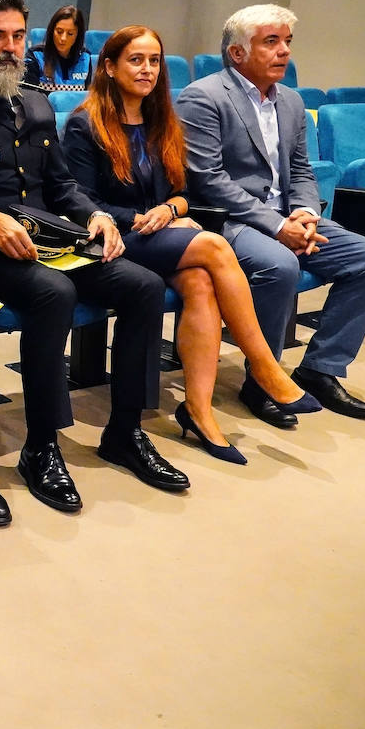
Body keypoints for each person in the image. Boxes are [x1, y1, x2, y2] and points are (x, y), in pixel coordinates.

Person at [0, 0, 189, 512]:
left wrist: (96, 216)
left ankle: (125, 430)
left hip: (46, 237)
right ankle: (41, 445)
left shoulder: (36, 101)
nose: (9, 47)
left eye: (18, 36)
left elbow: (61, 186)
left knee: (144, 287)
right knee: (53, 293)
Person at [64, 25, 320, 464]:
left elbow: (184, 192)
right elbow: (82, 202)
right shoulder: (84, 124)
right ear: (109, 67)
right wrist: (150, 217)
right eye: (135, 60)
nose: (147, 69)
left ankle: (199, 412)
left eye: (154, 60)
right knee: (216, 249)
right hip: (112, 238)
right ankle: (263, 365)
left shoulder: (161, 120)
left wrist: (172, 209)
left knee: (201, 282)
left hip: (161, 232)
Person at [178, 4, 365, 422]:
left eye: (287, 42)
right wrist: (277, 226)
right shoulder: (203, 97)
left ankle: (320, 369)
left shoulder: (290, 101)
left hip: (288, 216)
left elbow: (301, 170)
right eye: (271, 42)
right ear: (237, 53)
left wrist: (307, 214)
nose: (284, 52)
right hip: (230, 220)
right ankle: (263, 376)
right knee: (279, 265)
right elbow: (209, 179)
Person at [23, 5, 94, 92]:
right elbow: (29, 98)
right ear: (52, 31)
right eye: (59, 32)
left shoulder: (86, 57)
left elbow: (87, 96)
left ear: (78, 35)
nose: (63, 38)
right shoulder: (35, 55)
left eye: (70, 33)